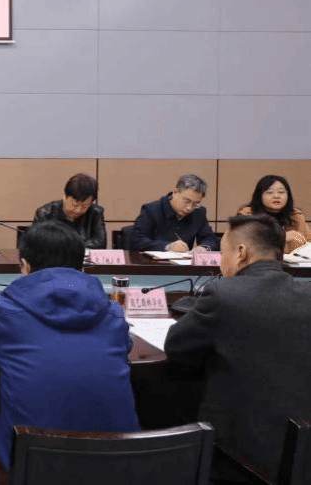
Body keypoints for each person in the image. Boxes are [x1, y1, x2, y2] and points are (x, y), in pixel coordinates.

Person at [0, 221, 139, 482]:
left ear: (25, 266)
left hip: (36, 467)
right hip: (118, 465)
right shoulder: (112, 312)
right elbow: (124, 350)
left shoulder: (7, 311)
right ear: (81, 266)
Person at [164, 214, 311, 481]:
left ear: (241, 252)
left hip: (239, 456)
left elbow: (176, 347)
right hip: (301, 453)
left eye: (223, 253)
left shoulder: (224, 295)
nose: (222, 262)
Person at [132, 173, 219, 252]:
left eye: (196, 204)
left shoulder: (198, 212)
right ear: (175, 192)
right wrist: (168, 246)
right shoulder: (151, 210)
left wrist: (204, 248)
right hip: (152, 263)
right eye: (187, 201)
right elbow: (137, 241)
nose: (189, 208)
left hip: (184, 263)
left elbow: (211, 239)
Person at [236, 174, 311, 254]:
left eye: (281, 192)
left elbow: (308, 243)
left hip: (294, 261)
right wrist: (282, 237)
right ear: (259, 196)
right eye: (269, 192)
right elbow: (242, 244)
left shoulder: (295, 216)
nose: (276, 196)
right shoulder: (248, 215)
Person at [32, 172, 107, 249]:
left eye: (84, 206)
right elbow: (37, 243)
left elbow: (100, 243)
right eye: (74, 205)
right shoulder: (45, 213)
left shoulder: (95, 213)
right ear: (64, 196)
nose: (78, 210)